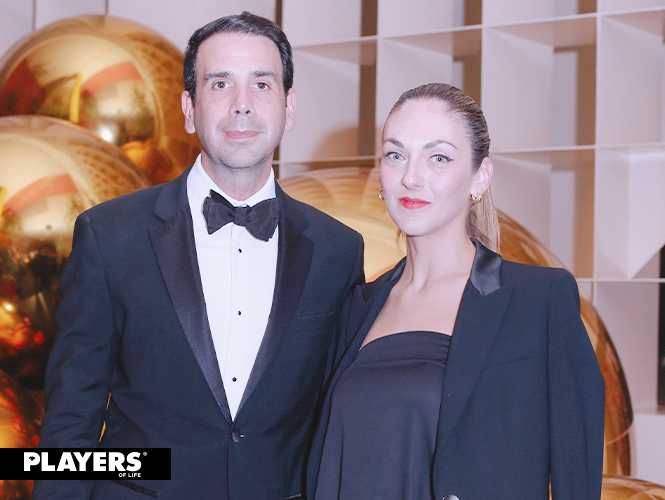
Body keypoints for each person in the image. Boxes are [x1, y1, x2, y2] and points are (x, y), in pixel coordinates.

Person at [33, 12, 364, 500]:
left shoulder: (338, 250)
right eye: (220, 84)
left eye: (262, 85)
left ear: (289, 107)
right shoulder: (109, 236)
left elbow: (339, 419)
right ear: (189, 108)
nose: (242, 105)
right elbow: (70, 417)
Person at [307, 83, 605, 500]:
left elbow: (578, 474)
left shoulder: (539, 301)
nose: (411, 177)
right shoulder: (355, 307)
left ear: (480, 177)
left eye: (439, 158)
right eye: (396, 155)